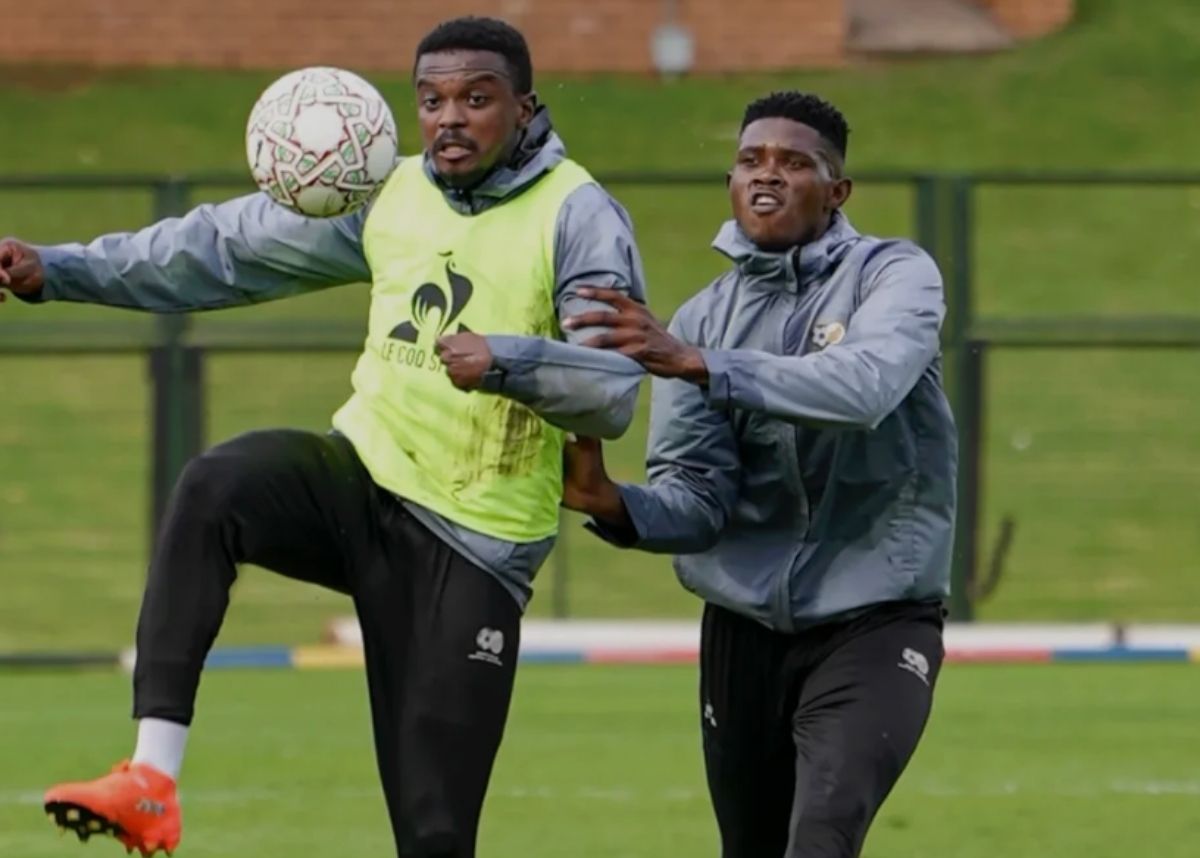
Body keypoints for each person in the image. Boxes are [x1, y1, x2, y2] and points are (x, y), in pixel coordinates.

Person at [0, 16, 646, 858]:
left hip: (476, 549)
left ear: (527, 109)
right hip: (362, 483)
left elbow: (612, 395)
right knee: (215, 486)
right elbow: (220, 250)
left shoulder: (579, 215)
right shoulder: (390, 192)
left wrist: (505, 362)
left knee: (436, 832)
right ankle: (150, 780)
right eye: (432, 99)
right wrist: (58, 269)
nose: (450, 117)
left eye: (476, 99)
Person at [558, 91, 958, 858]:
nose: (765, 175)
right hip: (742, 632)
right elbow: (700, 502)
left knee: (821, 837)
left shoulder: (896, 275)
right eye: (749, 160)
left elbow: (865, 386)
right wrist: (614, 505)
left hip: (877, 618)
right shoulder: (703, 317)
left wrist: (702, 365)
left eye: (793, 162)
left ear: (836, 192)